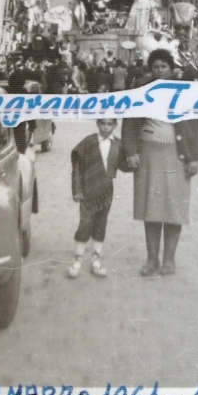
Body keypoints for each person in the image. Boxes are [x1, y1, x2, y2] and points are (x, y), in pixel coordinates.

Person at [120, 49, 198, 277]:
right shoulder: (140, 91)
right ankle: (151, 260)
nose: (159, 71)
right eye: (155, 67)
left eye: (164, 67)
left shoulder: (185, 91)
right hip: (148, 156)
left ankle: (169, 260)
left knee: (173, 210)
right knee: (151, 210)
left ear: (172, 69)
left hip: (176, 157)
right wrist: (131, 151)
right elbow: (129, 122)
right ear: (150, 69)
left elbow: (195, 124)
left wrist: (194, 157)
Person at [68, 119, 121, 279]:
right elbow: (76, 166)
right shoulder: (88, 142)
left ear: (115, 125)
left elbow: (126, 164)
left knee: (100, 223)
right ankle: (77, 261)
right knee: (85, 223)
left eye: (109, 124)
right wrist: (76, 189)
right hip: (87, 189)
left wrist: (134, 157)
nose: (106, 127)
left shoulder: (118, 144)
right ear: (97, 124)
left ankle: (96, 261)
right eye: (103, 123)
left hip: (106, 191)